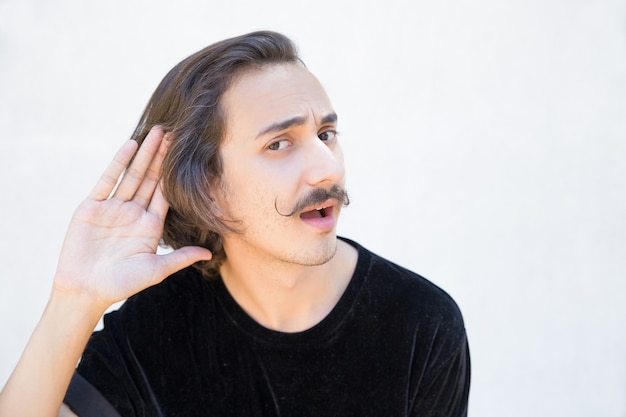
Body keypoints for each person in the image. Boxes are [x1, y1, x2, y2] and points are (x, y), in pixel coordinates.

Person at [0, 31, 470, 416]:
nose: (327, 166)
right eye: (279, 144)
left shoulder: (419, 323)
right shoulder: (154, 331)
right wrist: (74, 300)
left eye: (326, 134)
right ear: (207, 187)